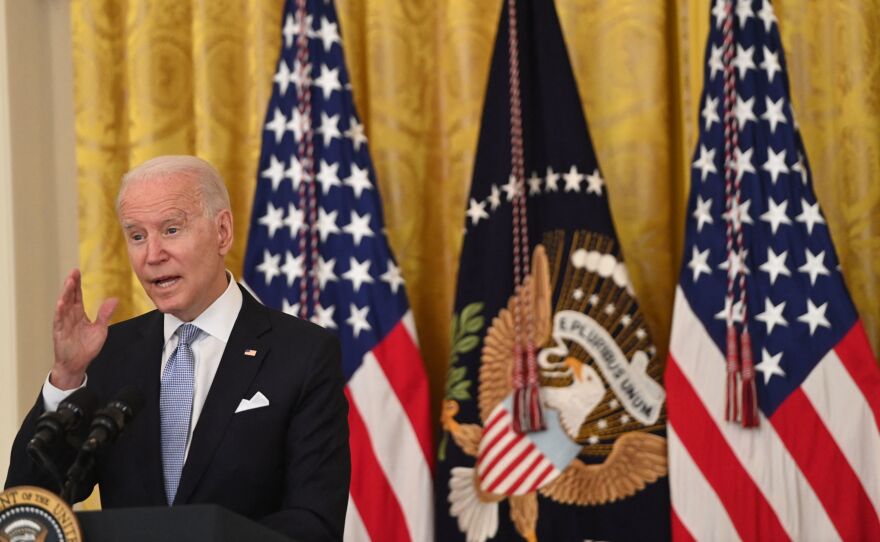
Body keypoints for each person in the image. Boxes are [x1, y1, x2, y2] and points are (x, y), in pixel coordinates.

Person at [5, 155, 350, 541]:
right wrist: (67, 377)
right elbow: (27, 511)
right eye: (137, 236)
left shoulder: (303, 354)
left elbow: (315, 522)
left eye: (171, 230)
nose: (153, 255)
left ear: (222, 232)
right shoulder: (109, 353)